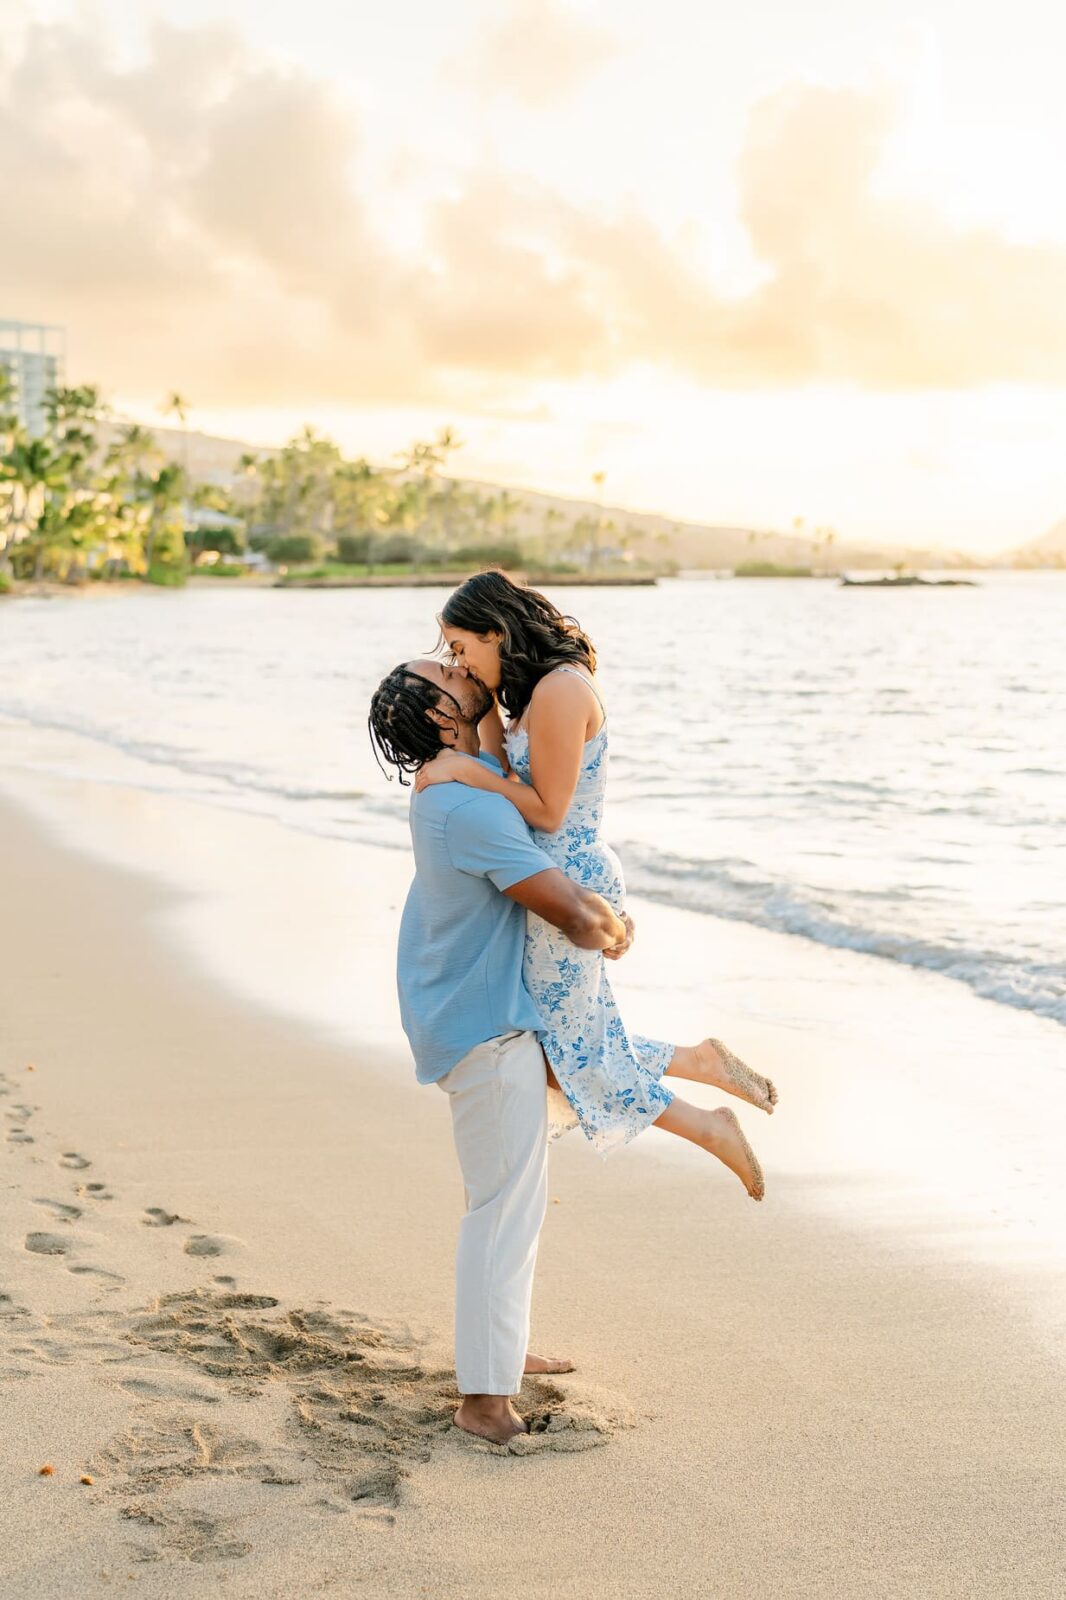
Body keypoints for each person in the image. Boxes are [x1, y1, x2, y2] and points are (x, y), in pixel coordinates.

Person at [416, 568, 776, 1167]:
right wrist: (479, 712)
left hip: (567, 878)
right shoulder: (534, 693)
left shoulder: (560, 689)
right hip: (544, 877)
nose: (458, 661)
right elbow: (510, 771)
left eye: (461, 647)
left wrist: (464, 771)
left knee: (563, 1053)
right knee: (564, 1045)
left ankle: (710, 1125)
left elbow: (549, 811)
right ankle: (697, 1065)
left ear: (497, 632)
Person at [368, 655, 636, 1445]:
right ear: (441, 717)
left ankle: (503, 1352)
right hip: (483, 1025)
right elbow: (565, 908)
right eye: (443, 670)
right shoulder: (468, 807)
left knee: (511, 1200)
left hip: (471, 1010)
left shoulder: (463, 782)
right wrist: (612, 930)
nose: (457, 662)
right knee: (502, 1209)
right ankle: (484, 1402)